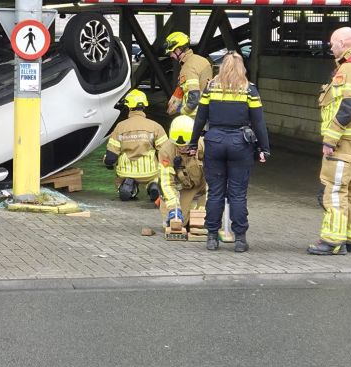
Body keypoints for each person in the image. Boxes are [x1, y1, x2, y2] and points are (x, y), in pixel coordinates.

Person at [187, 52, 270, 253]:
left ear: (221, 67)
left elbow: (200, 119)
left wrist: (192, 144)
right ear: (242, 68)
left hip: (214, 141)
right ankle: (240, 239)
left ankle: (212, 237)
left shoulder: (210, 88)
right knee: (238, 194)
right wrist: (264, 148)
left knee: (215, 192)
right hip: (240, 143)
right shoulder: (249, 90)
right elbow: (258, 122)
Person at [307, 27, 351, 256]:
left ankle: (331, 240)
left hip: (346, 139)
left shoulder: (349, 68)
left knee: (334, 187)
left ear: (343, 43)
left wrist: (331, 137)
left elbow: (348, 105)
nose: (330, 47)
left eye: (332, 43)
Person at [104, 90, 180, 226]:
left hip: (126, 171)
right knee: (155, 178)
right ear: (144, 106)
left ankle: (128, 186)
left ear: (129, 107)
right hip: (150, 171)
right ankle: (153, 185)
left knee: (124, 176)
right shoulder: (155, 126)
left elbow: (111, 157)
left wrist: (107, 163)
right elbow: (166, 151)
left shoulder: (120, 127)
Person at [160, 115, 207, 227]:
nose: (182, 149)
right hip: (184, 188)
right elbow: (167, 183)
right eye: (179, 146)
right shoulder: (166, 151)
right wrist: (173, 208)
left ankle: (200, 209)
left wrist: (211, 204)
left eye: (185, 146)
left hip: (203, 185)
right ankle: (185, 213)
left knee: (203, 222)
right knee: (177, 224)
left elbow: (215, 178)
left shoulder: (203, 145)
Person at [164, 32, 213, 118]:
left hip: (194, 116)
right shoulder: (202, 60)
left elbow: (194, 97)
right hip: (207, 111)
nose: (171, 55)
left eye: (171, 52)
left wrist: (182, 111)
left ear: (179, 49)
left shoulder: (188, 67)